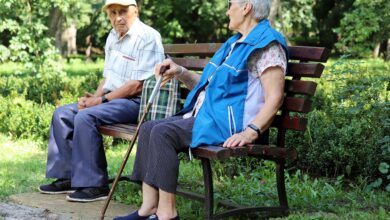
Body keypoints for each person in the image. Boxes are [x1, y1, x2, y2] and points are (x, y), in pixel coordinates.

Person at [115, 0, 288, 219]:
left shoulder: (267, 44)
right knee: (149, 127)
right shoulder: (235, 43)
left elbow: (275, 97)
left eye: (230, 4)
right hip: (210, 116)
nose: (227, 11)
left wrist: (250, 131)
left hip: (229, 125)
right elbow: (208, 86)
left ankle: (167, 214)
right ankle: (148, 207)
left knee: (163, 133)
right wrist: (180, 72)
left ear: (246, 7)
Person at [38, 0, 165, 202]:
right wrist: (94, 99)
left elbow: (138, 85)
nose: (118, 18)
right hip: (112, 100)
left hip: (137, 103)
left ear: (136, 11)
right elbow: (108, 78)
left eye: (123, 12)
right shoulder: (113, 37)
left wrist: (100, 101)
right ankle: (68, 177)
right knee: (62, 114)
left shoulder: (148, 36)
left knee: (86, 116)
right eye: (113, 13)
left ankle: (95, 185)